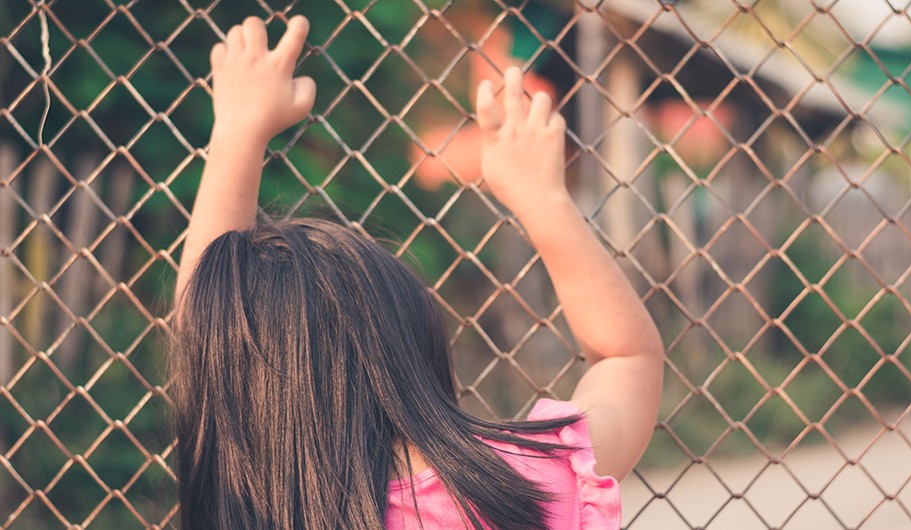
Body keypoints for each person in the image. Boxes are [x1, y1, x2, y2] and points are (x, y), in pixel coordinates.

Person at [172, 14, 664, 530]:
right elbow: (627, 358)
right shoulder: (512, 488)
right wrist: (544, 199)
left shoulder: (233, 503)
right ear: (411, 351)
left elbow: (204, 329)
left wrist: (235, 134)